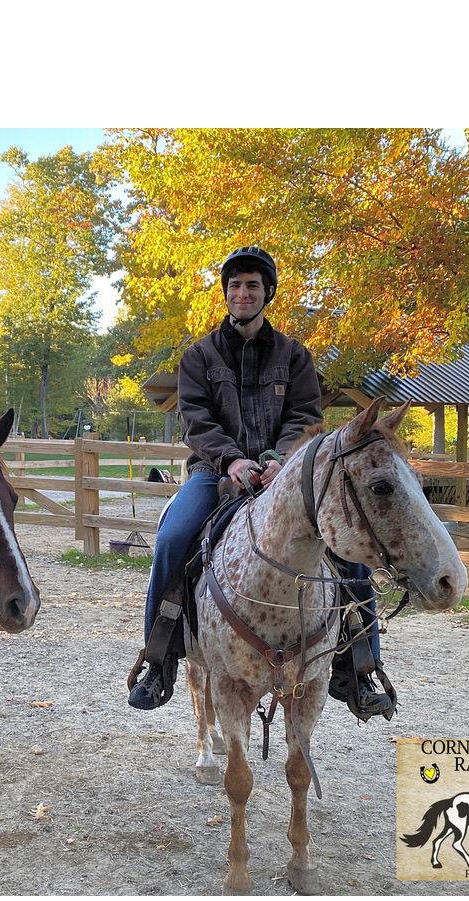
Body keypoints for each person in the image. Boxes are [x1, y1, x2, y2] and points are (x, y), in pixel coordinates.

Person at [127, 245, 394, 722]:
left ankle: (360, 666)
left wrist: (278, 461)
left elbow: (304, 416)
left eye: (252, 285)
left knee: (348, 549)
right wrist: (230, 460)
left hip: (284, 477)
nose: (243, 293)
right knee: (172, 537)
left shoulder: (294, 356)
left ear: (267, 292)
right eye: (235, 285)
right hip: (214, 473)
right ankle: (158, 657)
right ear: (226, 293)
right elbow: (196, 420)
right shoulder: (199, 357)